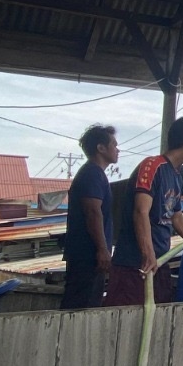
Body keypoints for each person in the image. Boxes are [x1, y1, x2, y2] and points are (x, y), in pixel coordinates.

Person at [104, 116, 183, 307]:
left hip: (160, 262)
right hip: (134, 263)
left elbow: (176, 216)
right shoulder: (152, 166)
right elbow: (140, 211)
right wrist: (148, 253)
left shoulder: (177, 176)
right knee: (126, 318)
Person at [60, 124, 118, 309]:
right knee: (80, 307)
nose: (118, 150)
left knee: (87, 304)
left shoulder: (96, 174)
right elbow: (93, 212)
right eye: (114, 145)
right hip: (87, 255)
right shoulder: (92, 174)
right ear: (100, 148)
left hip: (88, 254)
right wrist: (102, 249)